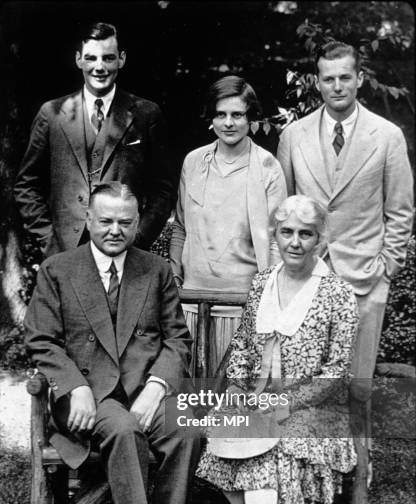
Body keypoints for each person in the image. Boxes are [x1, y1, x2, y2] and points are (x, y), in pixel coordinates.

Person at [24, 182, 200, 504]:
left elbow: (178, 341)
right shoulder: (59, 270)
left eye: (125, 222)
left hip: (143, 389)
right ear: (88, 220)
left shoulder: (155, 270)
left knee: (187, 429)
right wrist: (75, 386)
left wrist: (157, 388)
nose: (115, 230)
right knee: (122, 429)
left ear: (138, 223)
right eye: (105, 221)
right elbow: (41, 341)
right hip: (87, 397)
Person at [197, 195, 359, 504]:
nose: (295, 242)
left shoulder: (338, 295)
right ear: (275, 235)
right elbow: (244, 353)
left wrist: (290, 403)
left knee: (267, 453)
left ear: (321, 240)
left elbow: (335, 371)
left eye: (306, 234)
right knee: (215, 445)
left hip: (316, 412)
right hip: (258, 401)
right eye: (286, 232)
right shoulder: (261, 285)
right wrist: (234, 390)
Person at [276, 40, 414, 406]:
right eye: (328, 78)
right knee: (303, 388)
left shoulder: (387, 136)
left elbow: (400, 210)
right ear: (317, 82)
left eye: (345, 77)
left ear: (360, 79)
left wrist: (388, 267)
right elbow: (283, 209)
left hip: (366, 279)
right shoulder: (293, 136)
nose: (337, 86)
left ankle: (360, 464)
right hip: (306, 278)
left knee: (357, 390)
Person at [14, 22, 174, 257]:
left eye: (108, 58)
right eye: (91, 58)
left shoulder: (146, 114)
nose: (99, 67)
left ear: (122, 59)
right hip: (65, 254)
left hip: (125, 252)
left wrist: (137, 238)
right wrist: (50, 242)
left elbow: (163, 189)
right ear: (79, 60)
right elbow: (26, 185)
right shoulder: (52, 113)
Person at [169, 75, 287, 373]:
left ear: (251, 118)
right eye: (220, 114)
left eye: (237, 114)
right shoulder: (194, 162)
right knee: (189, 403)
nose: (229, 123)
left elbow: (276, 241)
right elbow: (181, 226)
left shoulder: (267, 166)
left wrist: (268, 303)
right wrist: (175, 281)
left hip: (242, 305)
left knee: (233, 406)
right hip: (191, 304)